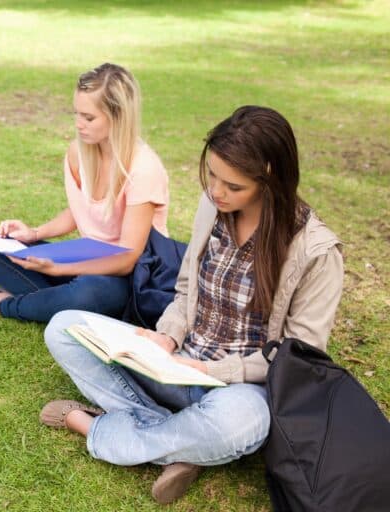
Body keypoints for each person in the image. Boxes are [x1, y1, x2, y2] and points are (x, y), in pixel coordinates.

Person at [39, 106, 344, 504]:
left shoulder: (316, 251)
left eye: (233, 186)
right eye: (212, 175)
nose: (217, 191)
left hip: (238, 388)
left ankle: (95, 429)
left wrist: (208, 369)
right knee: (63, 328)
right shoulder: (212, 206)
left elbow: (299, 360)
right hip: (176, 362)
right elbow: (186, 290)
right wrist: (166, 338)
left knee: (240, 427)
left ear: (271, 177)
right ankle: (179, 440)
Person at [0, 63, 169, 323]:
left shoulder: (144, 168)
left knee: (88, 294)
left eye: (89, 118)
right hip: (83, 263)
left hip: (128, 278)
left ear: (119, 116)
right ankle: (54, 302)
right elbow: (80, 211)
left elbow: (127, 259)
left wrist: (59, 268)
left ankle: (1, 302)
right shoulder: (79, 153)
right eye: (76, 114)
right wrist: (34, 233)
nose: (78, 125)